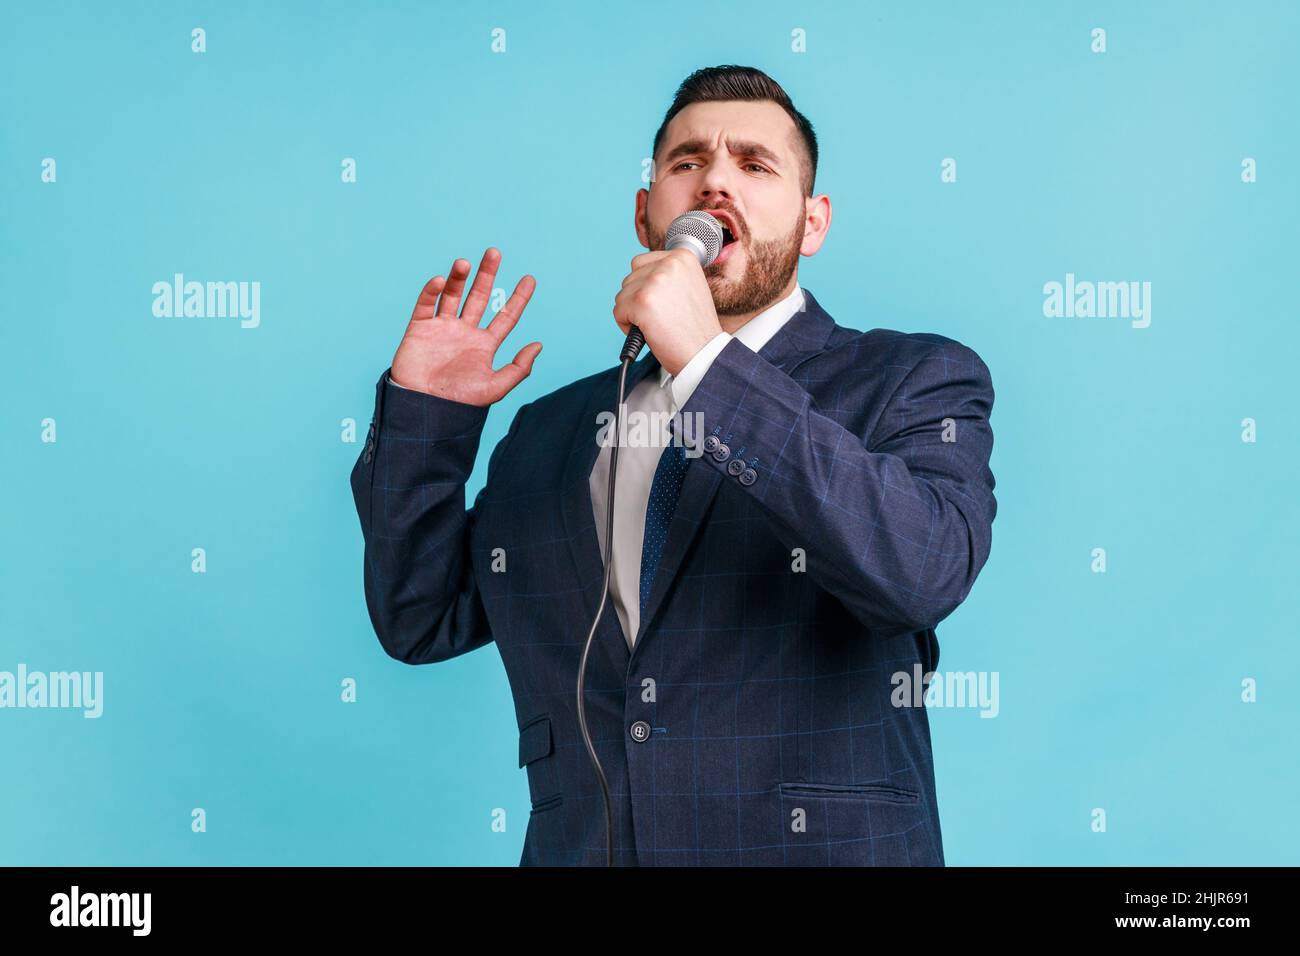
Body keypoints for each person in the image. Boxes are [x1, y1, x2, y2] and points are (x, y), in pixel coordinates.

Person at [349, 65, 997, 866]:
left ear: (813, 221)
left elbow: (921, 569)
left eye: (755, 165)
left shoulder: (913, 377)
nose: (715, 182)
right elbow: (419, 618)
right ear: (645, 211)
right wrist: (429, 419)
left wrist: (707, 364)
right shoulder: (550, 431)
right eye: (687, 163)